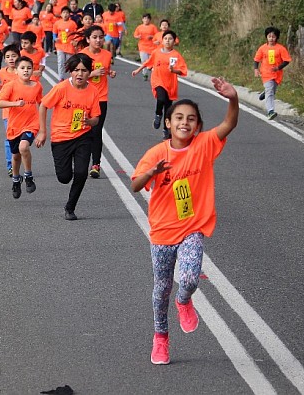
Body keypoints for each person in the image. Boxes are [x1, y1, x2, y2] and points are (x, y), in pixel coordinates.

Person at [131, 78, 239, 365]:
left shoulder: (204, 145)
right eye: (178, 117)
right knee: (161, 288)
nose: (184, 123)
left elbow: (228, 125)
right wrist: (153, 172)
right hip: (162, 232)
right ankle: (161, 339)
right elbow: (135, 185)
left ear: (198, 126)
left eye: (191, 119)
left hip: (192, 227)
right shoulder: (157, 153)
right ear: (168, 123)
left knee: (189, 278)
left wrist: (233, 99)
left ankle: (184, 300)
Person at [36, 53, 101, 221]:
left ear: (89, 73)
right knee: (64, 178)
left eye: (84, 71)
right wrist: (43, 132)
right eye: (76, 70)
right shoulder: (61, 88)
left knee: (81, 173)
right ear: (70, 71)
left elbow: (96, 119)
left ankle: (70, 207)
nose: (80, 74)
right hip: (61, 138)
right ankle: (66, 172)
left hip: (83, 137)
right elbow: (43, 105)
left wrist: (89, 121)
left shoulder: (93, 91)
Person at [0, 56, 43, 199]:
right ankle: (16, 179)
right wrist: (15, 104)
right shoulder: (10, 85)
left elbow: (41, 104)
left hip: (31, 124)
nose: (26, 71)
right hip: (14, 126)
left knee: (24, 147)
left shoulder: (37, 86)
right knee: (15, 156)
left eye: (29, 68)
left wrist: (41, 128)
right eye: (22, 68)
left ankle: (28, 175)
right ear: (16, 71)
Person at [131, 30, 187, 140]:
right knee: (161, 99)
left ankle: (166, 129)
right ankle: (158, 114)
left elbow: (182, 70)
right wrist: (138, 70)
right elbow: (148, 62)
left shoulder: (176, 55)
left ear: (174, 42)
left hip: (170, 84)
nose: (167, 41)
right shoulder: (157, 52)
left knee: (168, 107)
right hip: (158, 80)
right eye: (165, 38)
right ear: (162, 40)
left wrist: (173, 70)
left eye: (170, 39)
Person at [80, 25, 115, 179]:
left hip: (101, 98)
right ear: (88, 39)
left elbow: (107, 69)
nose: (98, 40)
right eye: (95, 37)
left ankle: (96, 164)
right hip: (83, 97)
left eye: (101, 37)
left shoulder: (107, 54)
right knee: (83, 130)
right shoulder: (82, 55)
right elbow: (76, 77)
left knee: (96, 130)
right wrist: (92, 73)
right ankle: (81, 160)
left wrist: (110, 72)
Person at [253, 26, 291, 120]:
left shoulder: (280, 48)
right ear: (266, 37)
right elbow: (256, 59)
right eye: (269, 36)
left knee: (271, 90)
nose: (271, 38)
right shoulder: (262, 48)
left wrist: (278, 68)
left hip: (277, 74)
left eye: (273, 37)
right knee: (270, 91)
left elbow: (287, 60)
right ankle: (270, 111)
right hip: (266, 73)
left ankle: (265, 93)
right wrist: (256, 69)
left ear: (276, 37)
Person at [0, 44, 22, 178]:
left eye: (13, 56)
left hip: (23, 112)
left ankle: (19, 162)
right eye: (7, 57)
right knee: (9, 139)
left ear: (19, 57)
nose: (11, 59)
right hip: (8, 111)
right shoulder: (2, 72)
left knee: (22, 141)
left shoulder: (22, 71)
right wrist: (1, 87)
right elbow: (5, 90)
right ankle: (10, 165)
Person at [52, 6, 78, 77]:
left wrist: (75, 41)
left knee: (69, 63)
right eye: (64, 13)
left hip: (69, 46)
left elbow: (76, 34)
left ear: (69, 14)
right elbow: (54, 33)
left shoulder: (73, 23)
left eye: (67, 13)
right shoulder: (57, 23)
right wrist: (55, 38)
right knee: (61, 62)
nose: (65, 14)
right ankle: (61, 78)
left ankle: (71, 77)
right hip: (60, 45)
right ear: (61, 14)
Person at [134, 13, 159, 81]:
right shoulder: (139, 27)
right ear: (142, 19)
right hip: (142, 46)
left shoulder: (153, 27)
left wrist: (152, 37)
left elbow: (157, 36)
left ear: (150, 20)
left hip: (152, 47)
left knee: (151, 62)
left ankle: (153, 73)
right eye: (144, 18)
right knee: (144, 61)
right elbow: (135, 35)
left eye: (147, 18)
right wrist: (138, 37)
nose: (146, 20)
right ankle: (145, 74)